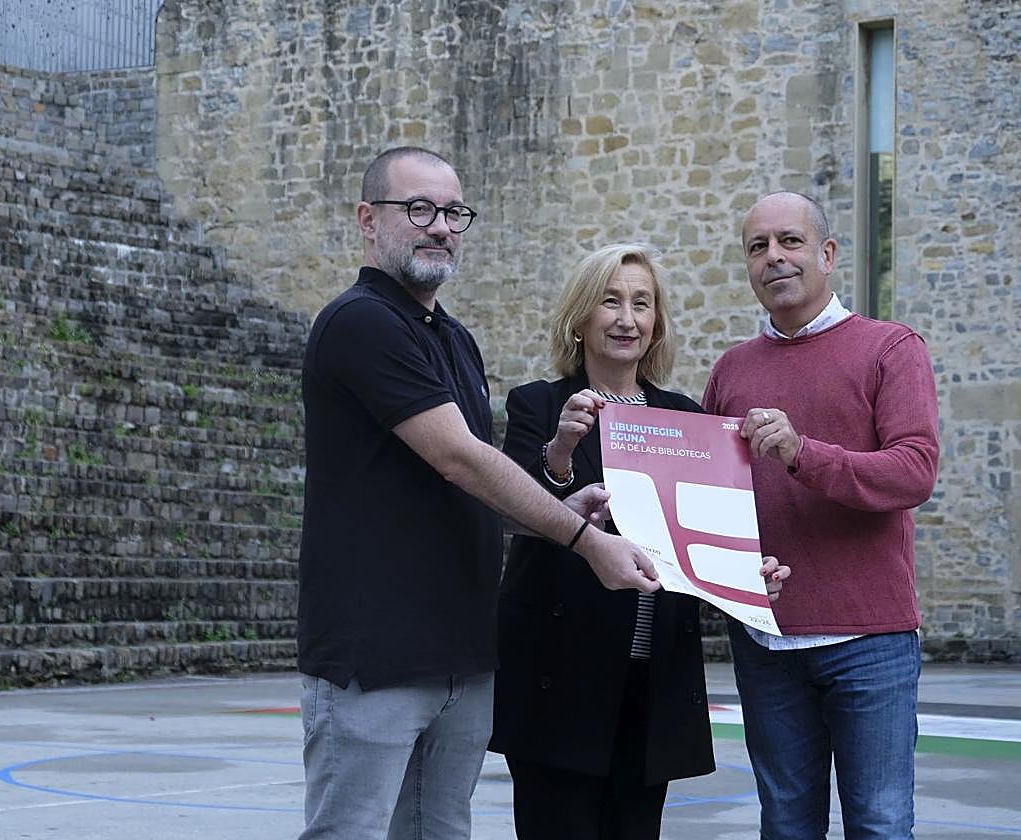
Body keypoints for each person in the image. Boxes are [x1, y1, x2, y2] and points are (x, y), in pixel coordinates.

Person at [296, 147, 664, 840]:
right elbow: (460, 459)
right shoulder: (359, 322)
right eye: (419, 209)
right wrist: (583, 538)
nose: (440, 226)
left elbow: (475, 481)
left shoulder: (455, 339)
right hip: (374, 656)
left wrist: (555, 512)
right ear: (368, 220)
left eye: (453, 213)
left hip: (462, 654)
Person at [488, 243, 788, 839]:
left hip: (652, 681)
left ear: (656, 323)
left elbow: (702, 534)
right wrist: (561, 450)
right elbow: (515, 507)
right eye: (611, 301)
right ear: (580, 318)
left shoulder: (684, 416)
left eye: (642, 304)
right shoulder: (538, 404)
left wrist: (747, 576)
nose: (627, 319)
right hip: (561, 679)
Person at [702, 191, 940, 839]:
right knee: (784, 827)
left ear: (828, 254)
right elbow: (710, 499)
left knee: (881, 825)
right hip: (765, 642)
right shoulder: (730, 370)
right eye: (758, 247)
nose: (773, 257)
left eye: (790, 241)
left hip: (872, 643)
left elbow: (915, 471)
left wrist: (804, 453)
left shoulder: (891, 348)